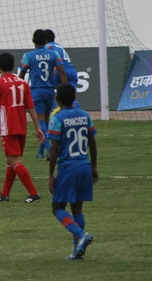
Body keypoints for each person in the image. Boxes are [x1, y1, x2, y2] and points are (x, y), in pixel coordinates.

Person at [0, 52, 44, 203]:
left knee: (14, 160)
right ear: (13, 66)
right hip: (21, 127)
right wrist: (38, 127)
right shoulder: (23, 83)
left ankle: (33, 193)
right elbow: (31, 108)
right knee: (10, 161)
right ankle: (4, 194)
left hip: (8, 128)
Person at [48, 83, 98, 260]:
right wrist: (93, 166)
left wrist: (50, 174)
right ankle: (78, 251)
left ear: (57, 99)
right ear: (75, 97)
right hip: (84, 165)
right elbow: (92, 142)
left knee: (57, 207)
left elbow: (54, 149)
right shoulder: (85, 116)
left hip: (68, 168)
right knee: (77, 207)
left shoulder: (58, 118)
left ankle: (81, 235)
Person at [18, 29, 67, 161]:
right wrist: (66, 88)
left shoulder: (28, 56)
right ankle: (41, 152)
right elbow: (62, 72)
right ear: (46, 41)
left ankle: (51, 152)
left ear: (33, 41)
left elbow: (21, 76)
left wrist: (20, 92)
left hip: (37, 91)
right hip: (50, 91)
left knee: (40, 124)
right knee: (46, 121)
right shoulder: (54, 53)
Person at [45, 29, 80, 119]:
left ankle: (56, 109)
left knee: (47, 89)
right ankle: (77, 115)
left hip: (61, 71)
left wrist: (54, 69)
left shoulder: (47, 46)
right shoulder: (59, 45)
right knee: (70, 95)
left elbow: (54, 58)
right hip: (72, 71)